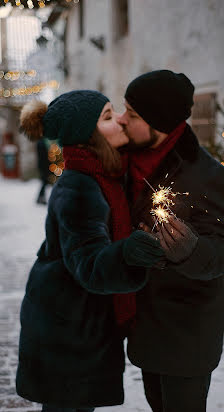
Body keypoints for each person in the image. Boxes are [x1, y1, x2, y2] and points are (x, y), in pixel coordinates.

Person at [16, 90, 164, 412]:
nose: (121, 122)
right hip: (68, 331)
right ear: (89, 135)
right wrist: (131, 251)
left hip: (77, 324)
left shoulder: (104, 174)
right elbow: (89, 265)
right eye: (108, 117)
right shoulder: (79, 186)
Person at [118, 70, 224, 412]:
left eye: (134, 114)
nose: (123, 120)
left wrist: (190, 250)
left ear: (160, 123)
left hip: (187, 335)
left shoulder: (209, 175)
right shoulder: (128, 162)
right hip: (147, 327)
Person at [36, 138, 50, 205]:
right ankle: (40, 198)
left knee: (44, 181)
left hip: (43, 165)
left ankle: (41, 197)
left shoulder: (41, 142)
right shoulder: (41, 143)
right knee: (44, 181)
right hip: (43, 165)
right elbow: (43, 156)